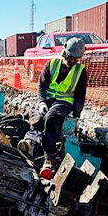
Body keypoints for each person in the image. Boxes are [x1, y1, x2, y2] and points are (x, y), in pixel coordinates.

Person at [36, 37, 88, 173]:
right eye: (70, 57)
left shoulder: (80, 71)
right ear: (64, 52)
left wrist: (76, 115)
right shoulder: (51, 64)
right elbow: (41, 86)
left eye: (75, 59)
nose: (72, 61)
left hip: (64, 103)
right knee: (36, 120)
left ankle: (50, 156)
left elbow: (80, 96)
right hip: (48, 101)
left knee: (51, 118)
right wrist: (41, 102)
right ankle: (32, 145)